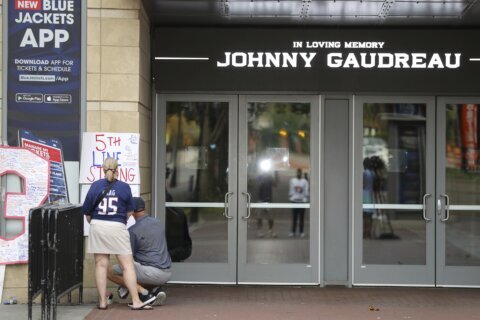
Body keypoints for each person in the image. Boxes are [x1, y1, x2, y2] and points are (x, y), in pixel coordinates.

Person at [82, 157, 155, 310]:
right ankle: (136, 301)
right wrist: (118, 222)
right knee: (127, 266)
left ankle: (102, 302)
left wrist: (97, 223)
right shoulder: (124, 187)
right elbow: (129, 212)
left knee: (101, 265)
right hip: (117, 227)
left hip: (98, 226)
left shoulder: (95, 186)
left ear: (103, 169)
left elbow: (87, 213)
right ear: (118, 169)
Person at [107, 197, 172, 306]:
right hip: (167, 272)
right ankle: (155, 290)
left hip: (152, 272)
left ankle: (144, 294)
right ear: (144, 208)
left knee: (110, 271)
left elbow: (127, 258)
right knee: (134, 269)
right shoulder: (158, 222)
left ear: (131, 211)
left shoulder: (133, 231)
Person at [288, 168, 309, 237]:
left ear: (301, 173)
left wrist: (305, 198)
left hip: (302, 201)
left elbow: (306, 192)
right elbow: (291, 190)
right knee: (294, 217)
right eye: (298, 173)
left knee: (301, 218)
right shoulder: (293, 180)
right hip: (294, 201)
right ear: (296, 173)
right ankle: (293, 231)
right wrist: (291, 197)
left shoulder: (304, 181)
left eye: (300, 173)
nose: (299, 174)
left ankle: (301, 231)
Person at [256, 171, 277, 238]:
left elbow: (275, 184)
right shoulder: (260, 176)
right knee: (259, 217)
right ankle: (259, 231)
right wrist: (261, 175)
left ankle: (271, 231)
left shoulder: (270, 177)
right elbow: (257, 182)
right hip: (260, 200)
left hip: (268, 200)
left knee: (270, 217)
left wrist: (274, 174)